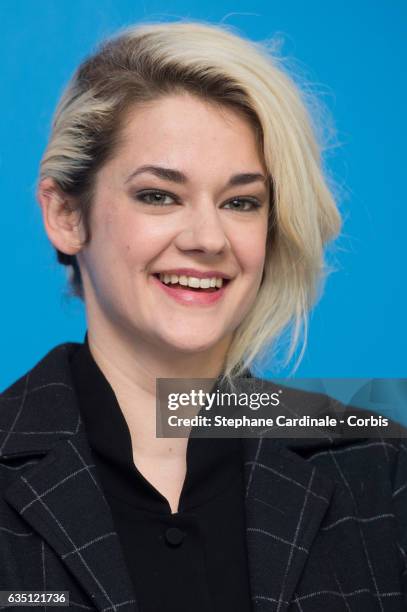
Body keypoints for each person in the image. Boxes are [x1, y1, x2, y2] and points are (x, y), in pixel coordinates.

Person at [0, 20, 406, 612]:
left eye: (240, 202)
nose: (208, 238)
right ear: (66, 213)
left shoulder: (382, 471)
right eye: (159, 195)